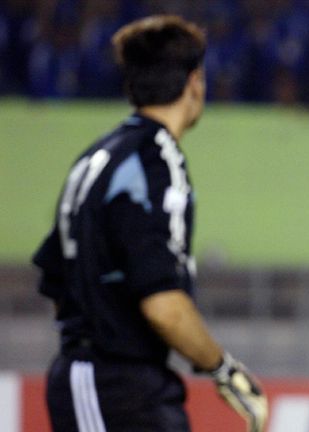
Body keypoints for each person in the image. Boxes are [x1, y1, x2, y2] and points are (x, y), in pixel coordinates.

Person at [32, 15, 267, 432]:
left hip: (103, 379)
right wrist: (223, 369)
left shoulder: (96, 157)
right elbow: (165, 307)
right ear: (195, 81)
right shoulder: (156, 165)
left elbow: (55, 273)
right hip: (115, 385)